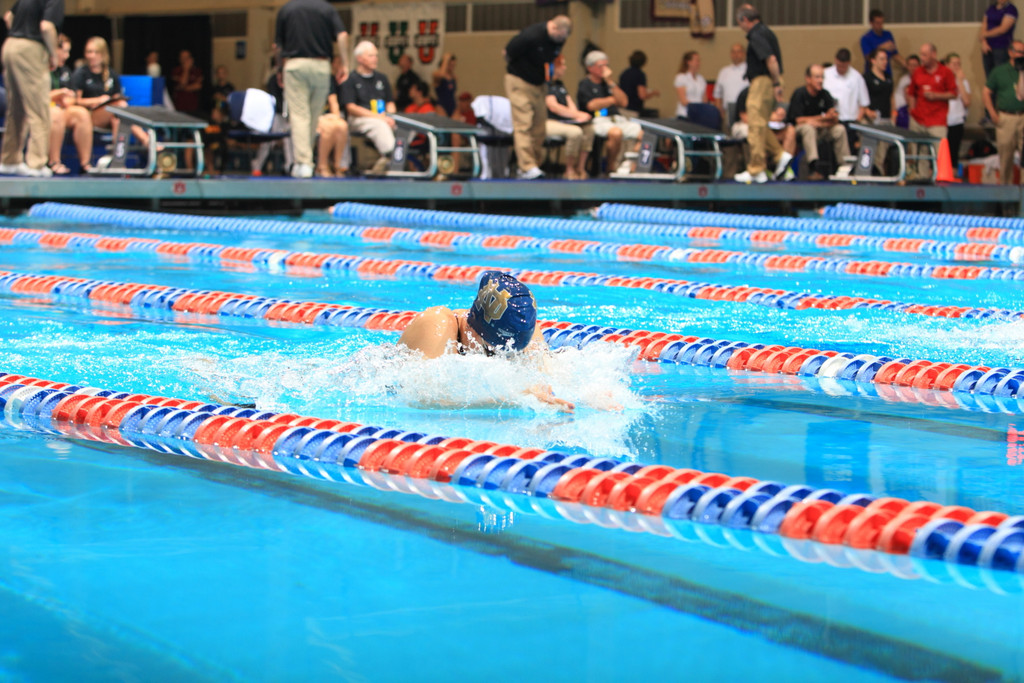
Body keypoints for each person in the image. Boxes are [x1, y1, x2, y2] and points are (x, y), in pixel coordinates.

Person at [397, 270, 574, 412]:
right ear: (475, 326)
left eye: (510, 352)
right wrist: (513, 398)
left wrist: (592, 396)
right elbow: (421, 398)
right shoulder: (437, 324)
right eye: (494, 348)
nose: (500, 355)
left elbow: (553, 377)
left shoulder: (526, 333)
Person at [275, 0, 348, 179]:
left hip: (295, 64)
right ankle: (305, 161)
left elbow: (278, 46)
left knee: (300, 115)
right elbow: (343, 35)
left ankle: (304, 163)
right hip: (321, 65)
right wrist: (345, 63)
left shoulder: (286, 9)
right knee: (313, 116)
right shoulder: (327, 8)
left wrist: (279, 69)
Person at [503, 14, 572, 180]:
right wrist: (522, 70)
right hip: (519, 81)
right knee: (523, 124)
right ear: (553, 27)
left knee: (539, 127)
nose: (561, 40)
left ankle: (534, 165)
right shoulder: (531, 36)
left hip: (539, 84)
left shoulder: (559, 38)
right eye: (560, 36)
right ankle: (527, 166)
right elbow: (506, 53)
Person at [0, 0, 63, 177]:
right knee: (39, 109)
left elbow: (8, 17)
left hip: (10, 45)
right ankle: (36, 164)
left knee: (16, 108)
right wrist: (53, 54)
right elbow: (46, 26)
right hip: (31, 48)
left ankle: (9, 160)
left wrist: (18, 34)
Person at [734, 4, 790, 184]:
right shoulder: (767, 31)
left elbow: (771, 59)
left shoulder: (756, 34)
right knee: (762, 125)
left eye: (739, 23)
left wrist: (774, 83)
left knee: (755, 125)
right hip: (769, 80)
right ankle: (780, 155)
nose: (740, 27)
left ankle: (756, 169)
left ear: (744, 20)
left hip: (763, 81)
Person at [71, 36, 150, 151]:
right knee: (120, 109)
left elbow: (116, 96)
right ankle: (145, 139)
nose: (91, 55)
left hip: (111, 114)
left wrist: (115, 100)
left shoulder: (111, 73)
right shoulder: (81, 73)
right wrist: (97, 100)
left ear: (103, 54)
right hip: (89, 115)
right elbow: (75, 101)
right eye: (89, 52)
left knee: (118, 117)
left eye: (95, 52)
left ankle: (118, 158)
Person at [577, 50, 643, 175]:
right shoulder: (585, 84)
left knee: (644, 135)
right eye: (601, 66)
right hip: (598, 120)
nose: (605, 69)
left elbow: (624, 102)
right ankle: (610, 166)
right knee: (616, 133)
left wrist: (610, 82)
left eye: (606, 65)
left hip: (618, 119)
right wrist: (612, 100)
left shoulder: (609, 84)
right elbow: (591, 105)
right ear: (590, 67)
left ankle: (629, 163)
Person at [342, 40, 396, 176]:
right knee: (378, 124)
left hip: (384, 117)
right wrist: (380, 118)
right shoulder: (351, 79)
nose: (375, 59)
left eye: (376, 55)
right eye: (371, 56)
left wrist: (390, 115)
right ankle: (391, 155)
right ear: (359, 58)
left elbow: (390, 102)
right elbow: (351, 107)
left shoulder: (382, 78)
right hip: (359, 119)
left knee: (404, 125)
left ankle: (395, 159)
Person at [788, 63, 849, 181]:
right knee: (808, 128)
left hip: (822, 129)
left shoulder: (825, 95)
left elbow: (834, 118)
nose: (820, 80)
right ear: (808, 79)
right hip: (801, 131)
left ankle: (845, 167)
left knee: (840, 129)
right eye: (817, 77)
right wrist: (821, 119)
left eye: (822, 77)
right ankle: (813, 168)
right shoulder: (799, 93)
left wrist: (821, 121)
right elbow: (798, 119)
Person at [906, 43, 957, 179]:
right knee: (919, 154)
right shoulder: (918, 72)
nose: (921, 58)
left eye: (925, 55)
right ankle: (920, 181)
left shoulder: (945, 72)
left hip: (937, 121)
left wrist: (936, 95)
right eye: (921, 54)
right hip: (918, 120)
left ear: (934, 54)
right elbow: (911, 93)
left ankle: (941, 182)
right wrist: (912, 109)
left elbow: (953, 93)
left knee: (940, 154)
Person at [48, 33, 92, 174]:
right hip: (42, 110)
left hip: (61, 109)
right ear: (54, 49)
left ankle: (85, 164)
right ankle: (54, 162)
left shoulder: (65, 71)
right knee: (56, 114)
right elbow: (35, 96)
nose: (67, 56)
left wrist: (67, 99)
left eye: (68, 51)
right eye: (64, 51)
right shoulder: (39, 69)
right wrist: (57, 95)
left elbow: (73, 95)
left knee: (82, 113)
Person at [731, 86, 795, 180]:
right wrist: (769, 118)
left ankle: (782, 170)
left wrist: (779, 115)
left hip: (767, 127)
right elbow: (746, 117)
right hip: (746, 125)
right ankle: (759, 170)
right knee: (754, 130)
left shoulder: (769, 96)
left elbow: (774, 115)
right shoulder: (747, 93)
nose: (781, 98)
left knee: (790, 130)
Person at [545, 54, 593, 180]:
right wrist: (577, 114)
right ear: (553, 67)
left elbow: (570, 104)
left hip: (564, 121)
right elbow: (553, 107)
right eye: (562, 65)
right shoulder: (546, 84)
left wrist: (579, 117)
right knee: (575, 132)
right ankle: (569, 169)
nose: (565, 68)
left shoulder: (560, 84)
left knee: (589, 129)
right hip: (548, 122)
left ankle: (580, 168)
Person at [983, 40, 1024, 185]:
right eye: (1019, 52)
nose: (1021, 55)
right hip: (1006, 117)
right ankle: (1005, 195)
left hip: (1023, 116)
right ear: (1010, 52)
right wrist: (992, 114)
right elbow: (986, 92)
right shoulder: (999, 71)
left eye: (1023, 52)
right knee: (1006, 155)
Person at [823, 48, 869, 152]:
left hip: (851, 120)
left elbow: (863, 103)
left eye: (844, 66)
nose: (841, 69)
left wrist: (857, 120)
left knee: (851, 146)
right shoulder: (826, 74)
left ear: (849, 63)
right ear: (835, 60)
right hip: (831, 120)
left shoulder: (857, 77)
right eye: (839, 66)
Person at [315, 54, 349, 178]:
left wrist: (336, 116)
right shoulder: (306, 79)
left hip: (327, 116)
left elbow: (333, 100)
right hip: (312, 116)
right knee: (327, 126)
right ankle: (322, 166)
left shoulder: (328, 79)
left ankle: (337, 165)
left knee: (342, 125)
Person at [863, 48, 894, 174]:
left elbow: (891, 97)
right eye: (881, 59)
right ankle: (875, 172)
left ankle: (883, 171)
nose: (885, 62)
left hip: (886, 119)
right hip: (873, 119)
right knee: (875, 149)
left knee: (886, 150)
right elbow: (860, 98)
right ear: (873, 61)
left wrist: (894, 114)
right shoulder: (866, 78)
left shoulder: (888, 78)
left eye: (886, 59)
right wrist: (866, 111)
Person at [944, 53, 971, 177]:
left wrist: (959, 80)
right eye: (954, 64)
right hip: (943, 121)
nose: (957, 67)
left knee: (953, 154)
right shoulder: (942, 79)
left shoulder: (963, 82)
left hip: (957, 121)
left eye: (959, 64)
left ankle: (951, 178)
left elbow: (967, 102)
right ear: (947, 65)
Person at [713, 42, 748, 127]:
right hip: (728, 110)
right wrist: (719, 112)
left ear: (743, 53)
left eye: (738, 52)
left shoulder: (749, 70)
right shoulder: (724, 71)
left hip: (745, 111)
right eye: (733, 52)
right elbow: (717, 94)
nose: (736, 55)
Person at [860, 9, 904, 76]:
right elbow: (869, 58)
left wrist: (908, 65)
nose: (880, 26)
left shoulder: (888, 35)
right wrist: (882, 47)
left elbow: (895, 54)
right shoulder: (865, 38)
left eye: (882, 23)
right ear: (871, 23)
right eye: (877, 23)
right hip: (872, 74)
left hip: (886, 73)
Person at [980, 0, 1019, 77]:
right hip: (987, 47)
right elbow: (984, 26)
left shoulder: (1011, 9)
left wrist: (984, 34)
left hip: (1001, 48)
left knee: (1001, 74)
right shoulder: (991, 8)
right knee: (989, 75)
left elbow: (1003, 29)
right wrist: (984, 42)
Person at [619, 50, 659, 117]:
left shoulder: (624, 73)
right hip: (632, 110)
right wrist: (653, 93)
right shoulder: (640, 75)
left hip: (621, 108)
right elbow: (642, 95)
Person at [674, 50, 707, 119]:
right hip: (685, 113)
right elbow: (683, 100)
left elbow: (704, 98)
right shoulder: (681, 77)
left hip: (699, 114)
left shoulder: (701, 79)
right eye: (696, 61)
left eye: (699, 61)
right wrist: (697, 106)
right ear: (689, 62)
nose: (698, 63)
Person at [170, 49, 203, 115]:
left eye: (187, 57)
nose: (185, 60)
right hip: (179, 106)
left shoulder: (197, 71)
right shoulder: (176, 71)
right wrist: (186, 70)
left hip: (193, 106)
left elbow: (198, 86)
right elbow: (182, 83)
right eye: (183, 58)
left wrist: (183, 88)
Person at [894, 53, 919, 128]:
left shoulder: (924, 79)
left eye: (915, 65)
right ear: (907, 66)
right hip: (905, 112)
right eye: (910, 65)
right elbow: (897, 98)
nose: (912, 68)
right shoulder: (903, 80)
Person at [432, 52, 457, 117]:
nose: (452, 67)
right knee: (444, 124)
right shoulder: (436, 74)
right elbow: (441, 75)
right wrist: (445, 59)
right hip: (441, 105)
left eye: (453, 66)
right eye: (450, 65)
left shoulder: (453, 77)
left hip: (452, 105)